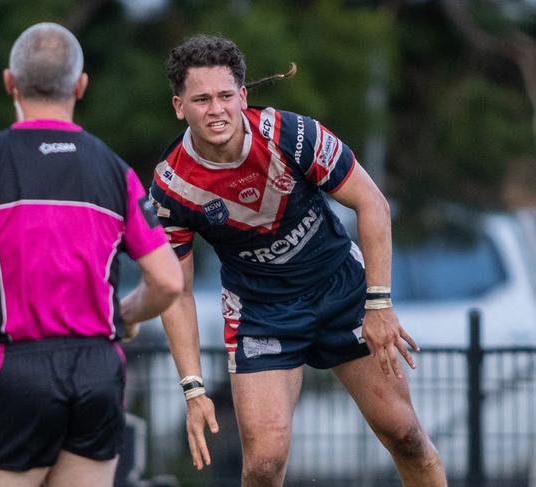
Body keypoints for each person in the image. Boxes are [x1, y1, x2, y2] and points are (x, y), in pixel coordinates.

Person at [149, 34, 447, 487]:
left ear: (243, 96)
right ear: (179, 106)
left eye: (226, 96)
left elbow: (373, 205)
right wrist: (193, 388)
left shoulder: (294, 135)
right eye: (202, 99)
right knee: (264, 466)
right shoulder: (171, 187)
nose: (217, 110)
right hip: (262, 312)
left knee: (405, 434)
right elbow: (176, 289)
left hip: (340, 290)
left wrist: (379, 303)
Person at [0, 22, 183, 487]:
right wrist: (127, 315)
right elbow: (167, 282)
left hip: (14, 372)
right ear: (81, 85)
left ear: (9, 83)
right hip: (100, 372)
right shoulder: (115, 170)